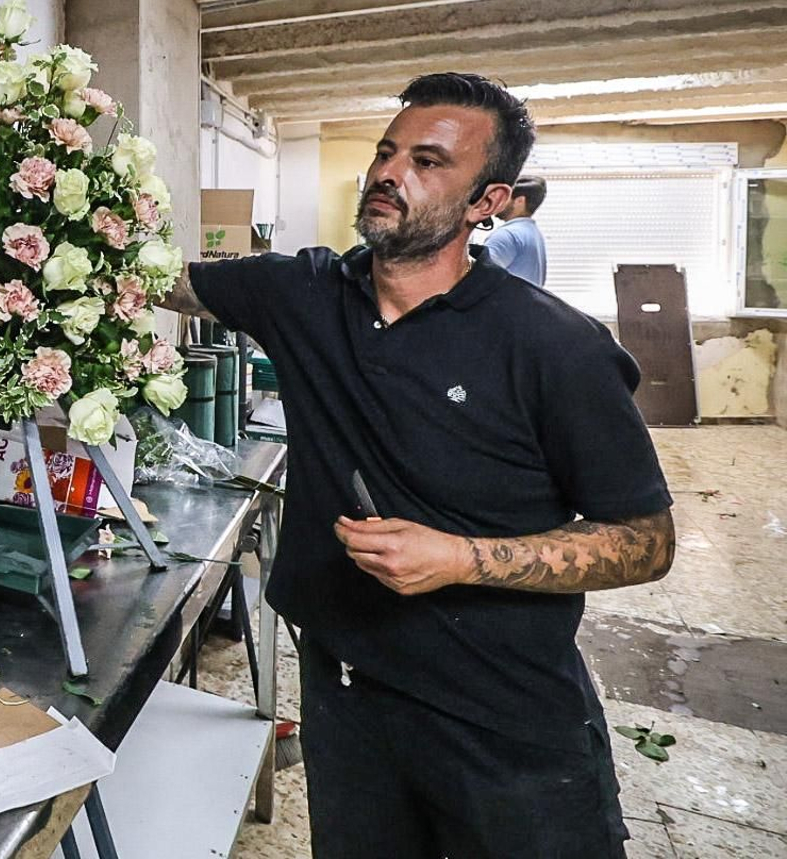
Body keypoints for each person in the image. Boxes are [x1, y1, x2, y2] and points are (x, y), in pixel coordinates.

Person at [167, 73, 674, 859]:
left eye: (428, 161)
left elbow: (646, 539)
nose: (389, 172)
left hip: (501, 718)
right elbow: (159, 283)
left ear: (487, 201)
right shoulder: (305, 293)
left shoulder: (553, 345)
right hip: (348, 702)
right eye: (386, 152)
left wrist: (460, 558)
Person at [485, 174, 548, 286]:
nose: (498, 202)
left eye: (505, 197)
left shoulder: (507, 235)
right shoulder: (533, 234)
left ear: (519, 201)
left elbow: (479, 279)